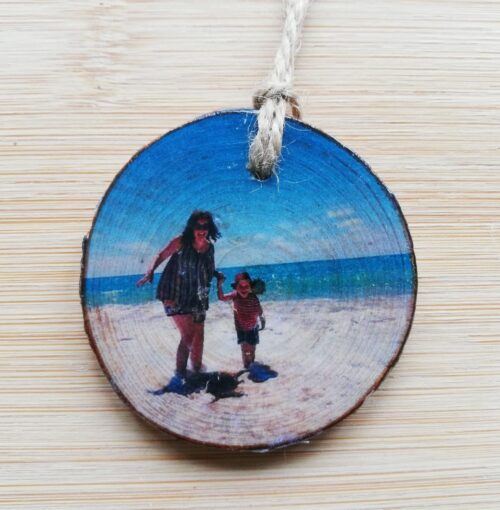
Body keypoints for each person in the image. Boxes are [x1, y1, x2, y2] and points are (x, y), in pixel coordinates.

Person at [137, 210, 222, 377]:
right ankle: (180, 376)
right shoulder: (181, 241)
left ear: (210, 228)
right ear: (192, 227)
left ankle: (197, 371)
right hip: (173, 294)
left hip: (197, 296)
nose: (201, 230)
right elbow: (160, 255)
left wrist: (217, 275)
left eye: (205, 226)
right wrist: (150, 271)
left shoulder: (209, 248)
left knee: (199, 334)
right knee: (188, 334)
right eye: (198, 226)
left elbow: (208, 269)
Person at [217, 272, 266, 368]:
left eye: (246, 286)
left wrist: (262, 320)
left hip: (253, 328)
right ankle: (246, 366)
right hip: (241, 328)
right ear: (236, 287)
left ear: (250, 287)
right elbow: (221, 297)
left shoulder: (253, 297)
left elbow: (259, 310)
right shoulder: (234, 295)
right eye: (240, 286)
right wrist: (219, 285)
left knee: (252, 349)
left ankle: (252, 366)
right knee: (244, 349)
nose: (243, 289)